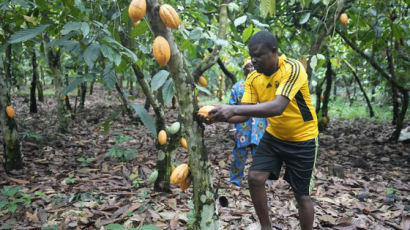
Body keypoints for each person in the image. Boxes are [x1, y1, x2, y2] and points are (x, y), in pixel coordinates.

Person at [200, 31, 319, 230]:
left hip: (303, 138)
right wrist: (218, 116)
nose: (253, 60)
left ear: (274, 52)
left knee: (301, 194)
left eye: (258, 55)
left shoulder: (293, 68)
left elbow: (277, 106)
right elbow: (244, 115)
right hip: (274, 136)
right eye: (251, 55)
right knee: (255, 178)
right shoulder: (254, 77)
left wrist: (232, 109)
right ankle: (266, 227)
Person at [228, 58, 267, 187]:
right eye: (248, 66)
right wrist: (232, 129)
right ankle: (235, 181)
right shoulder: (237, 87)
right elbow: (231, 109)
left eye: (253, 66)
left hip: (259, 129)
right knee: (239, 156)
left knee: (259, 157)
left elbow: (269, 107)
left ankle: (259, 182)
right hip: (242, 128)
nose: (251, 69)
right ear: (244, 70)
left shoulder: (263, 85)